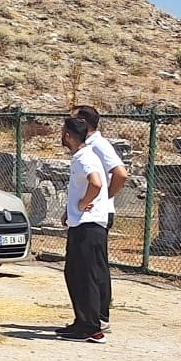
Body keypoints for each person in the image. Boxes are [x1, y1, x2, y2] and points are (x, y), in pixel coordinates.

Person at [72, 104, 128, 332]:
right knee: (89, 267)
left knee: (93, 269)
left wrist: (105, 197)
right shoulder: (85, 147)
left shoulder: (99, 145)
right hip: (90, 212)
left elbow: (121, 173)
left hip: (96, 213)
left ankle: (97, 318)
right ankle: (94, 317)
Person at [58, 115, 112, 343]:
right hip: (81, 222)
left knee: (85, 275)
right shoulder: (81, 156)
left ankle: (92, 328)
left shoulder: (84, 157)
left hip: (88, 226)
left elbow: (96, 182)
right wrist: (70, 210)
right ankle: (82, 322)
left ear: (69, 135)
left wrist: (84, 203)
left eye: (63, 132)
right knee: (75, 272)